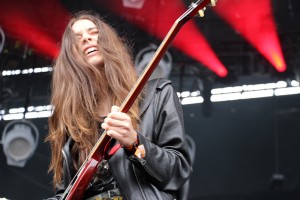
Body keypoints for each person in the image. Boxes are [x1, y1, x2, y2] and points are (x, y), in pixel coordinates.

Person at [46, 10, 192, 200]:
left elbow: (177, 173)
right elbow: (65, 194)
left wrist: (134, 142)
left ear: (108, 41)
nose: (86, 39)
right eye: (77, 38)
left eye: (93, 32)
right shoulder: (70, 120)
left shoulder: (157, 94)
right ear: (70, 58)